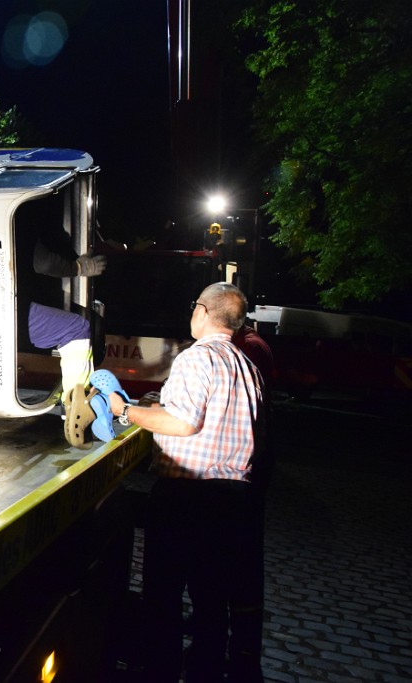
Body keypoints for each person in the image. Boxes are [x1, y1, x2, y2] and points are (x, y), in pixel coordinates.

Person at [106, 282, 267, 682]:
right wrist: (154, 408)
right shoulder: (247, 367)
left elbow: (183, 422)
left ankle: (160, 671)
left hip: (187, 499)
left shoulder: (197, 358)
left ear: (201, 310)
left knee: (163, 597)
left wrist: (125, 410)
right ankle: (204, 673)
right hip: (233, 500)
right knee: (211, 601)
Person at [18, 215, 107, 447]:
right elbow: (44, 263)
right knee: (76, 327)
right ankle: (76, 407)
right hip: (11, 311)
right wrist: (78, 267)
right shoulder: (28, 218)